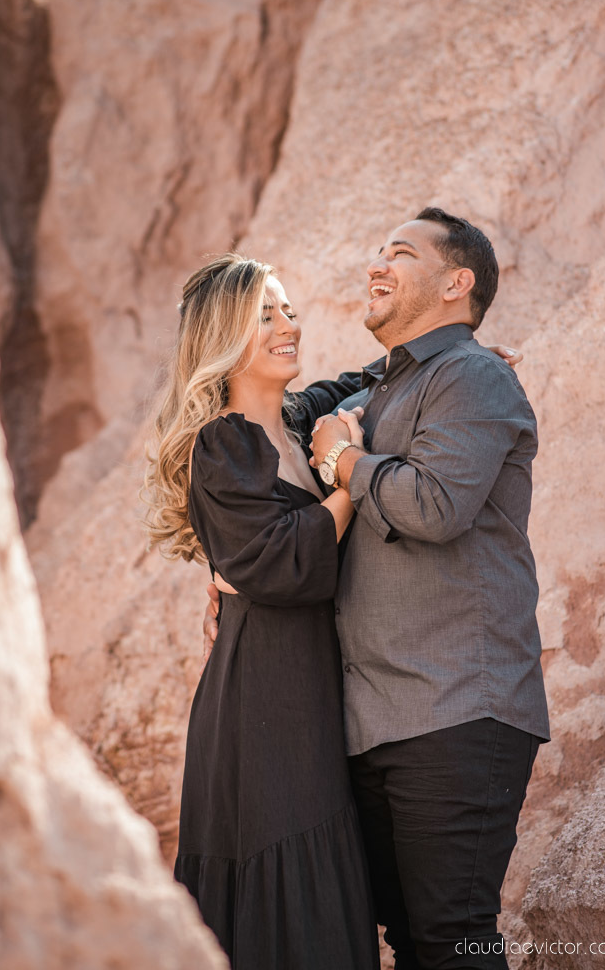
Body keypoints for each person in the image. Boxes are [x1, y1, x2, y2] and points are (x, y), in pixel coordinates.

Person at [305, 207, 551, 970]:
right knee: (412, 942)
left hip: (457, 708)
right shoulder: (378, 392)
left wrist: (343, 463)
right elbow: (270, 417)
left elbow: (435, 507)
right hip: (378, 720)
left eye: (400, 253)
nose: (375, 264)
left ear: (456, 282)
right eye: (376, 250)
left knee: (453, 937)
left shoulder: (472, 375)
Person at [144, 253, 381, 970]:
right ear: (223, 336)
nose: (287, 325)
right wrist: (347, 477)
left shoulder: (296, 419)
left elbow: (368, 379)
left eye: (286, 310)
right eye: (264, 315)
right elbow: (283, 565)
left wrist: (449, 360)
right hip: (260, 703)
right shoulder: (223, 445)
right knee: (286, 890)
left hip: (306, 685)